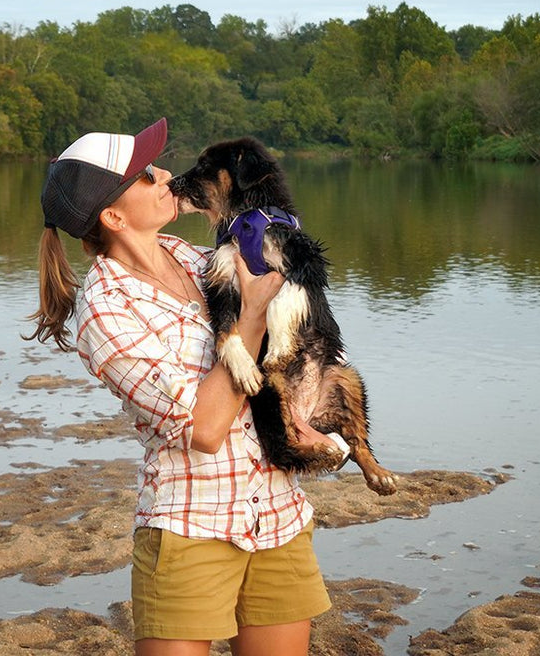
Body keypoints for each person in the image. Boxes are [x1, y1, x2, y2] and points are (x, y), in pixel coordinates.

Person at [28, 118, 341, 656]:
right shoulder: (105, 311)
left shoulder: (193, 257)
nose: (167, 174)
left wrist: (314, 427)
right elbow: (203, 428)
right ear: (112, 215)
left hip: (278, 516)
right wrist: (252, 317)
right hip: (189, 527)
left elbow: (294, 340)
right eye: (148, 175)